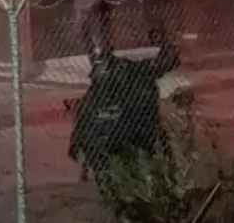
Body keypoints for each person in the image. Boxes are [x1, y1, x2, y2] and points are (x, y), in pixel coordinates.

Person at [68, 42, 178, 216]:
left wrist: (76, 145)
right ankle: (146, 197)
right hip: (130, 136)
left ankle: (129, 201)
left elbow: (83, 121)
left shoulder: (98, 91)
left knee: (132, 163)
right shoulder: (134, 75)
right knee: (142, 159)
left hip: (123, 138)